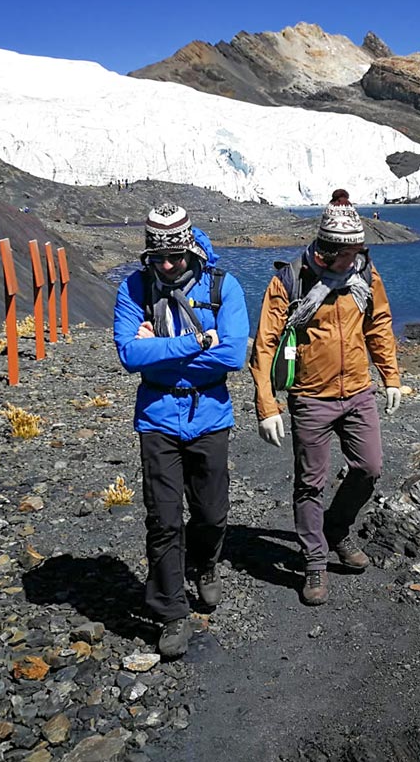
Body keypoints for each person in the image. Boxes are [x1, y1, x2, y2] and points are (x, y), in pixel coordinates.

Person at [249, 190, 401, 606]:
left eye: (359, 251)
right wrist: (268, 404)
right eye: (349, 252)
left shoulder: (364, 274)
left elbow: (379, 324)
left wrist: (390, 376)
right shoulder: (289, 281)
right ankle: (314, 559)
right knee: (311, 482)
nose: (356, 258)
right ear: (327, 251)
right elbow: (264, 345)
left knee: (369, 467)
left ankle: (336, 528)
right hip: (310, 397)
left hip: (357, 391)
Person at [113, 203, 249, 657]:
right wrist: (194, 342)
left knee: (211, 511)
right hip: (157, 418)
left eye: (174, 256)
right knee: (163, 518)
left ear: (191, 249)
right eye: (158, 257)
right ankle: (171, 612)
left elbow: (232, 357)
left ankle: (205, 563)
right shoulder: (134, 288)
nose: (167, 265)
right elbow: (129, 355)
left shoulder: (222, 286)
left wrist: (160, 349)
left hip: (210, 413)